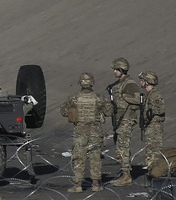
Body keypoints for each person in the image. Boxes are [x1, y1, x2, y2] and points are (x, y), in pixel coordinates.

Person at [60, 72, 111, 192]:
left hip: (80, 132)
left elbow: (63, 111)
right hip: (95, 131)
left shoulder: (74, 98)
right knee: (95, 158)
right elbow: (109, 112)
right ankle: (96, 184)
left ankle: (78, 185)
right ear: (92, 83)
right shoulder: (100, 97)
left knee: (79, 158)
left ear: (80, 83)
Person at [108, 57, 142, 186]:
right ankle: (124, 173)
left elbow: (137, 99)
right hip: (120, 119)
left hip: (126, 119)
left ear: (122, 69)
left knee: (123, 147)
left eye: (117, 69)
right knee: (120, 146)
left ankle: (126, 176)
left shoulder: (129, 83)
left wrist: (122, 97)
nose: (115, 72)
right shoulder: (120, 83)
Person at [140, 71, 166, 177]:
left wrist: (150, 114)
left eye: (143, 80)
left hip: (154, 126)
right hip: (150, 126)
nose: (141, 82)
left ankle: (155, 174)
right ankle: (152, 172)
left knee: (154, 152)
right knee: (150, 151)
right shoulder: (148, 95)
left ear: (148, 82)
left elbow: (161, 110)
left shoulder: (155, 95)